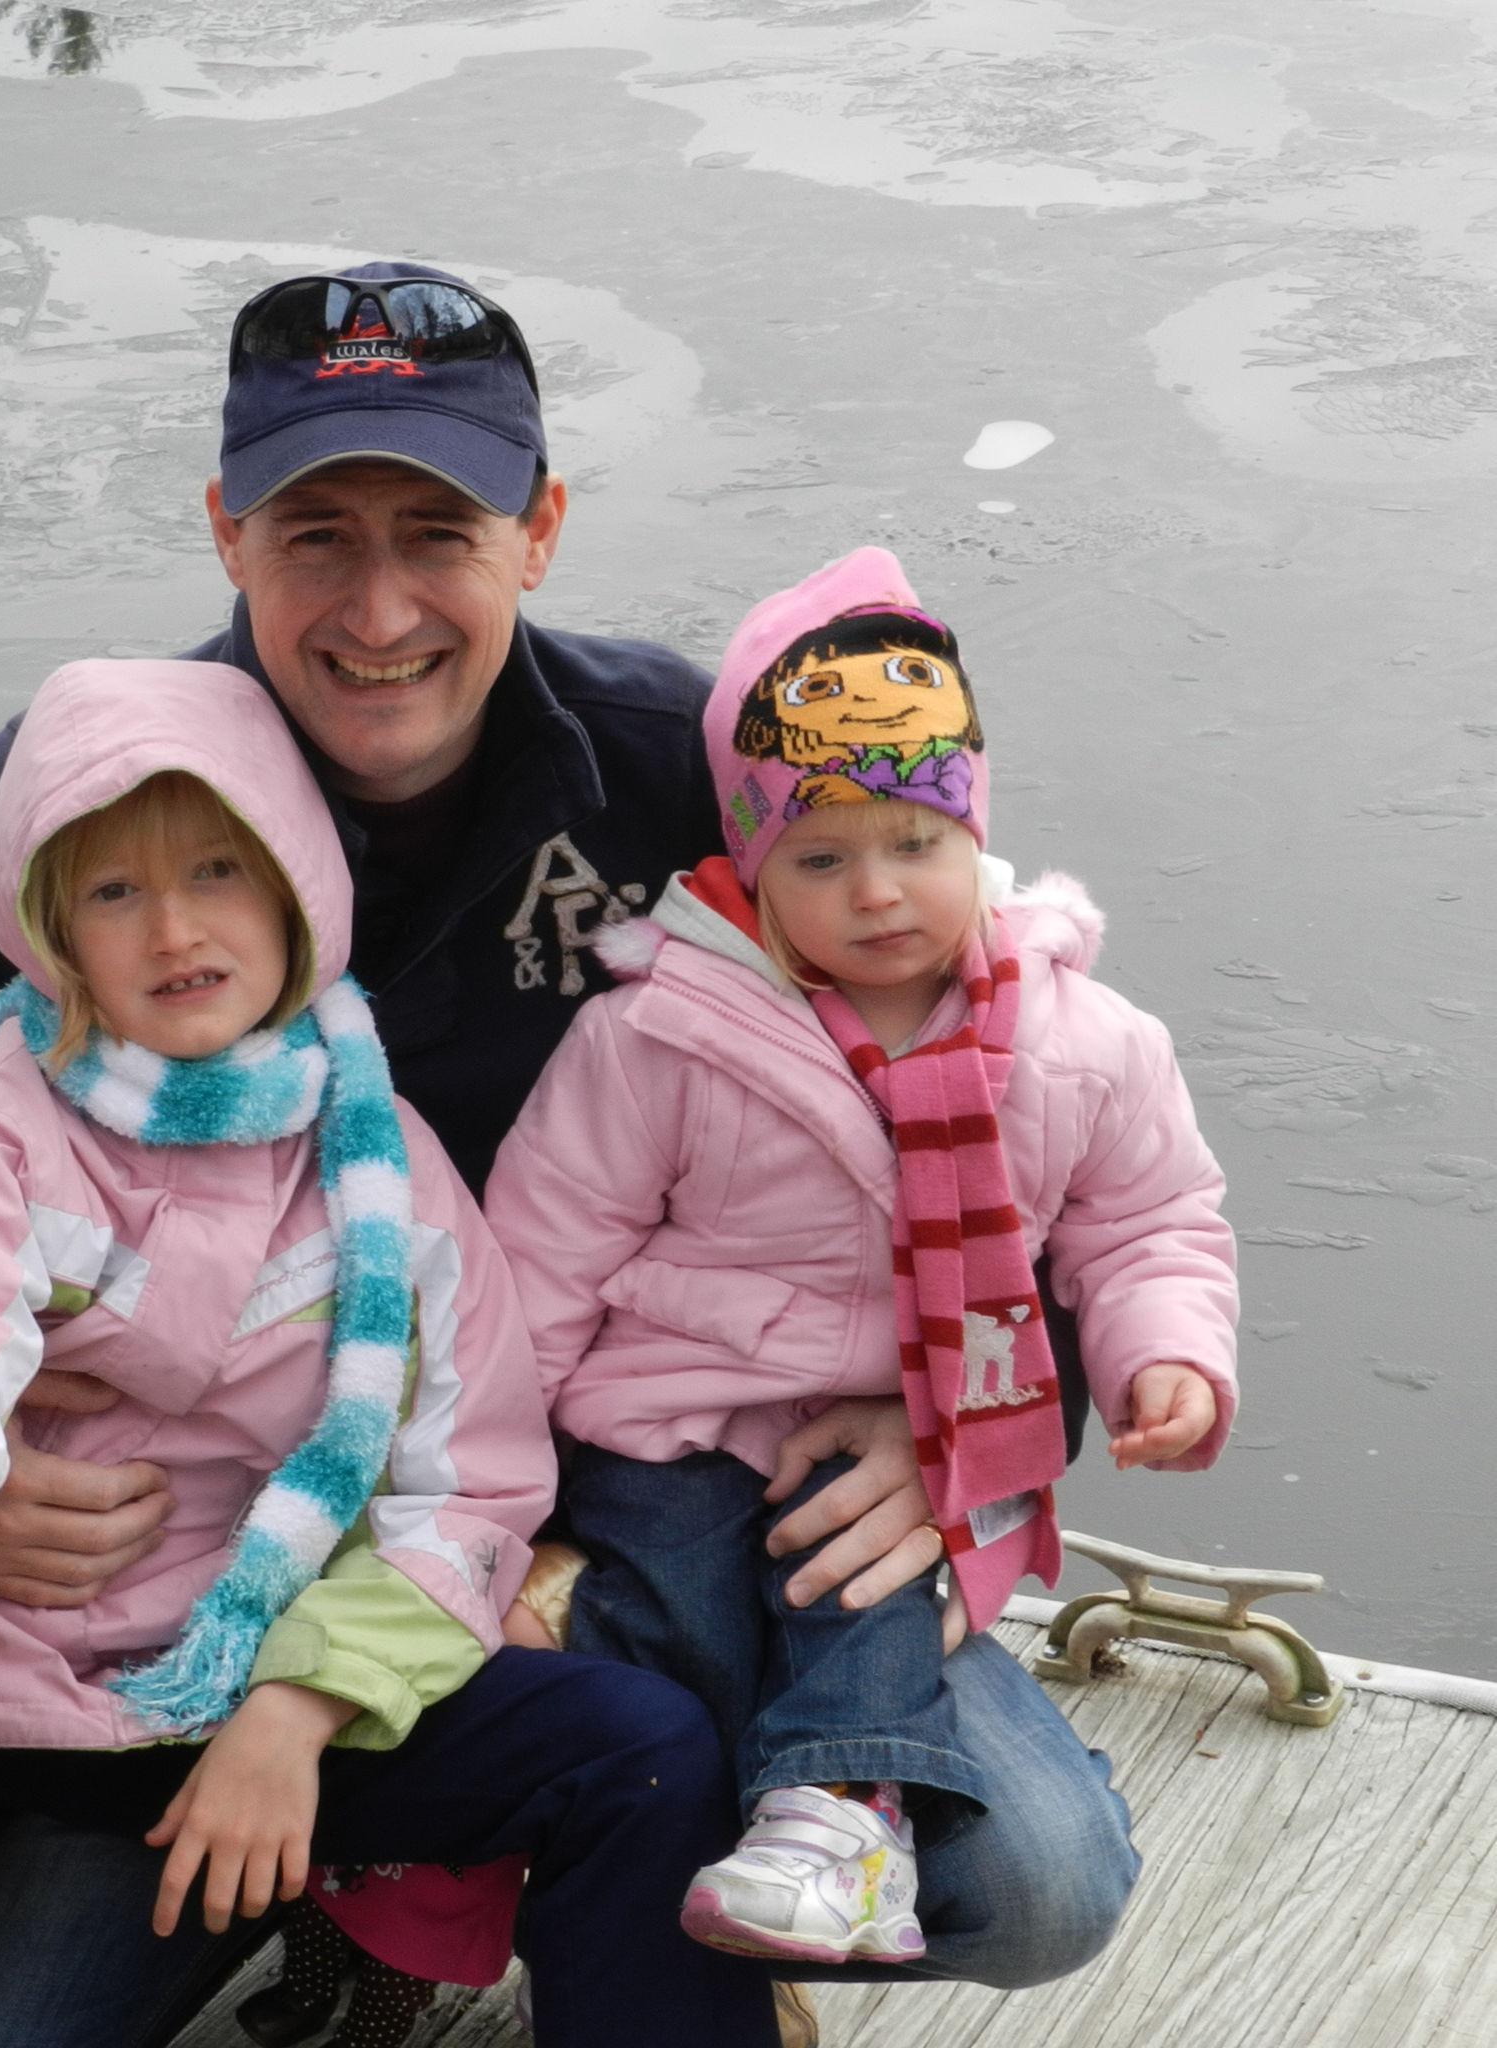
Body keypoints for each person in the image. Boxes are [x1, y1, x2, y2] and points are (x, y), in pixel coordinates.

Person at [0, 263, 1138, 2038]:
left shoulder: (686, 773)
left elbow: (1021, 1085)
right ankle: (337, 1868)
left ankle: (557, 1864)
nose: (380, 605)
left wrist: (983, 1401)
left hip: (616, 1509)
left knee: (1034, 1872)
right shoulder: (66, 812)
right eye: (316, 534)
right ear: (224, 531)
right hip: (163, 1577)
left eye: (441, 529)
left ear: (540, 529)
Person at [0, 655, 782, 2048]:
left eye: (222, 873)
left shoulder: (389, 1171)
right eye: (114, 890)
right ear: (49, 933)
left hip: (228, 1691)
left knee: (644, 1756)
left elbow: (468, 1487)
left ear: (300, 888)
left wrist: (293, 1719)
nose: (175, 926)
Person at [480, 544, 1238, 1976]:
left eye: (916, 842)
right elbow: (540, 1260)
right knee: (689, 1604)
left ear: (979, 835)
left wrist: (1166, 1357)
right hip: (671, 1425)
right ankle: (711, 1818)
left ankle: (835, 1817)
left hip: (909, 1455)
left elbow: (1145, 1226)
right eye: (820, 859)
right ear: (754, 877)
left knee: (855, 1595)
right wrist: (493, 1511)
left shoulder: (1085, 1044)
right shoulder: (662, 1032)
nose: (878, 893)